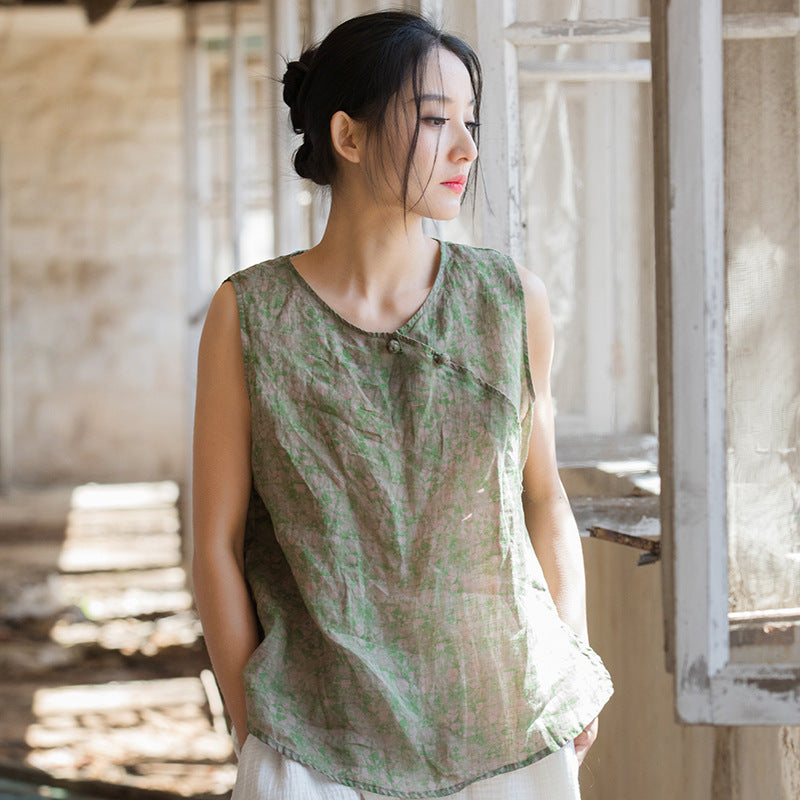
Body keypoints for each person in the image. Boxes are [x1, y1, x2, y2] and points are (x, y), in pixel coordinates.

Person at [192, 10, 612, 800]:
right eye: (434, 119)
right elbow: (215, 541)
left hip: (507, 725)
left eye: (470, 121)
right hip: (313, 740)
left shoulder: (508, 301)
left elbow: (543, 497)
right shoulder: (250, 313)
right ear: (347, 136)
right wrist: (255, 727)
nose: (467, 148)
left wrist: (573, 662)